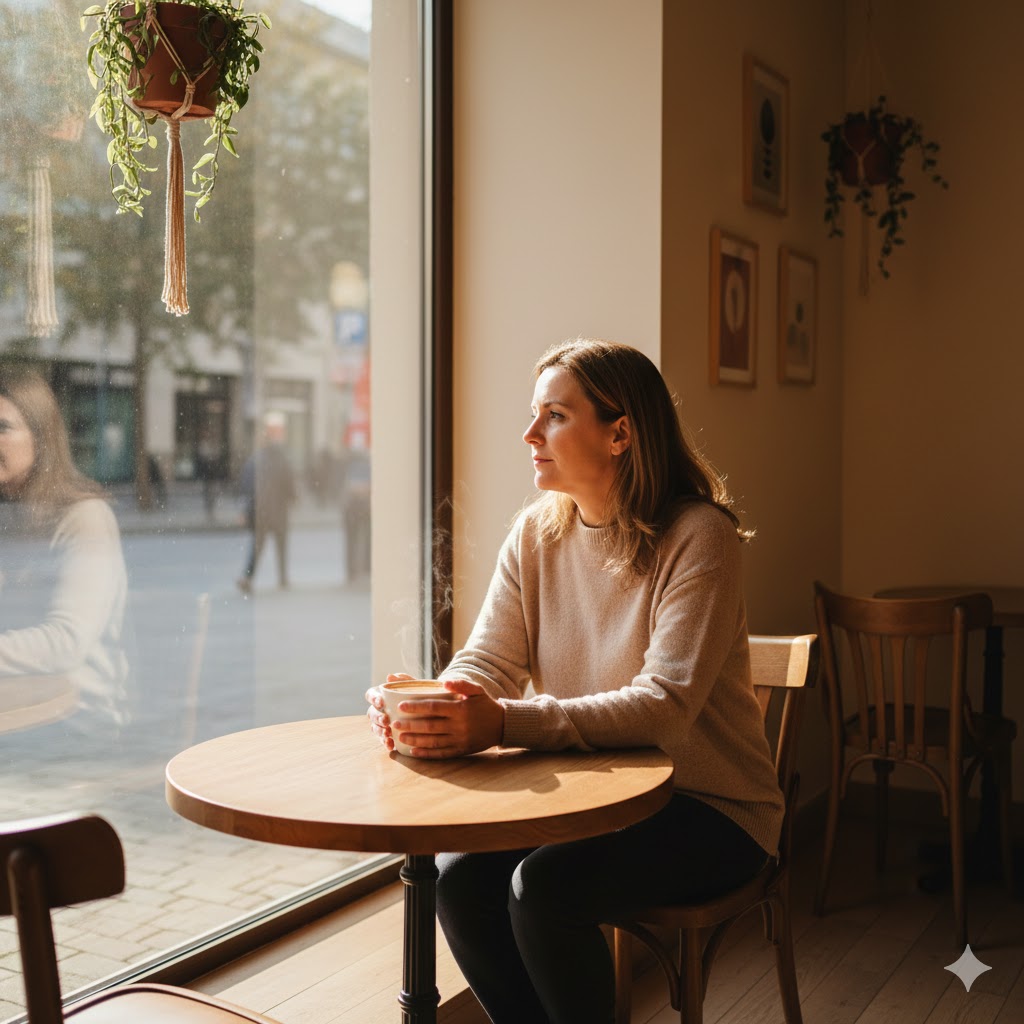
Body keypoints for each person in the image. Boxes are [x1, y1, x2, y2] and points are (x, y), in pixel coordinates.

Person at [365, 338, 783, 1024]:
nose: (529, 433)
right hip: (599, 797)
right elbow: (488, 661)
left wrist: (501, 722)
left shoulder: (699, 536)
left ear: (620, 433)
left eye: (554, 416)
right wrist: (437, 702)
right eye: (536, 415)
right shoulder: (536, 534)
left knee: (544, 888)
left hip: (711, 807)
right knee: (460, 879)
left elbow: (664, 708)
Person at [0, 367, 129, 732]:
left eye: (2, 428)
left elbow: (66, 642)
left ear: (41, 438)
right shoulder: (11, 516)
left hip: (77, 727)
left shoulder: (84, 516)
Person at [236, 411, 296, 593]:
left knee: (258, 546)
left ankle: (248, 577)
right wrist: (294, 498)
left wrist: (245, 509)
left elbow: (246, 483)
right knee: (280, 544)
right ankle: (282, 578)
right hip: (276, 509)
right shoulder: (280, 456)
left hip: (262, 509)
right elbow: (288, 481)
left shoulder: (258, 457)